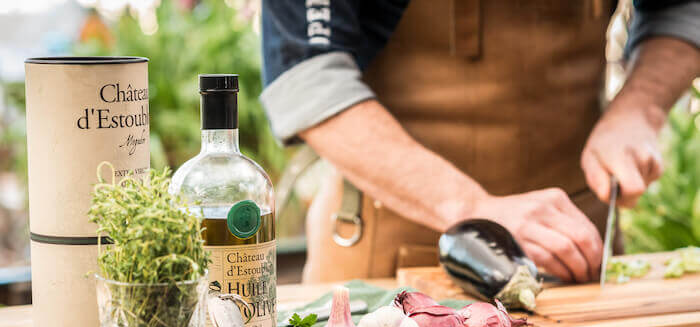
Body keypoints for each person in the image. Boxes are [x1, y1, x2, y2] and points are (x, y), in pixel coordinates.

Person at [260, 0, 700, 283]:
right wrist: (472, 208)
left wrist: (641, 106)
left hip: (578, 249)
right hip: (391, 262)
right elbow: (306, 73)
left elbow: (681, 7)